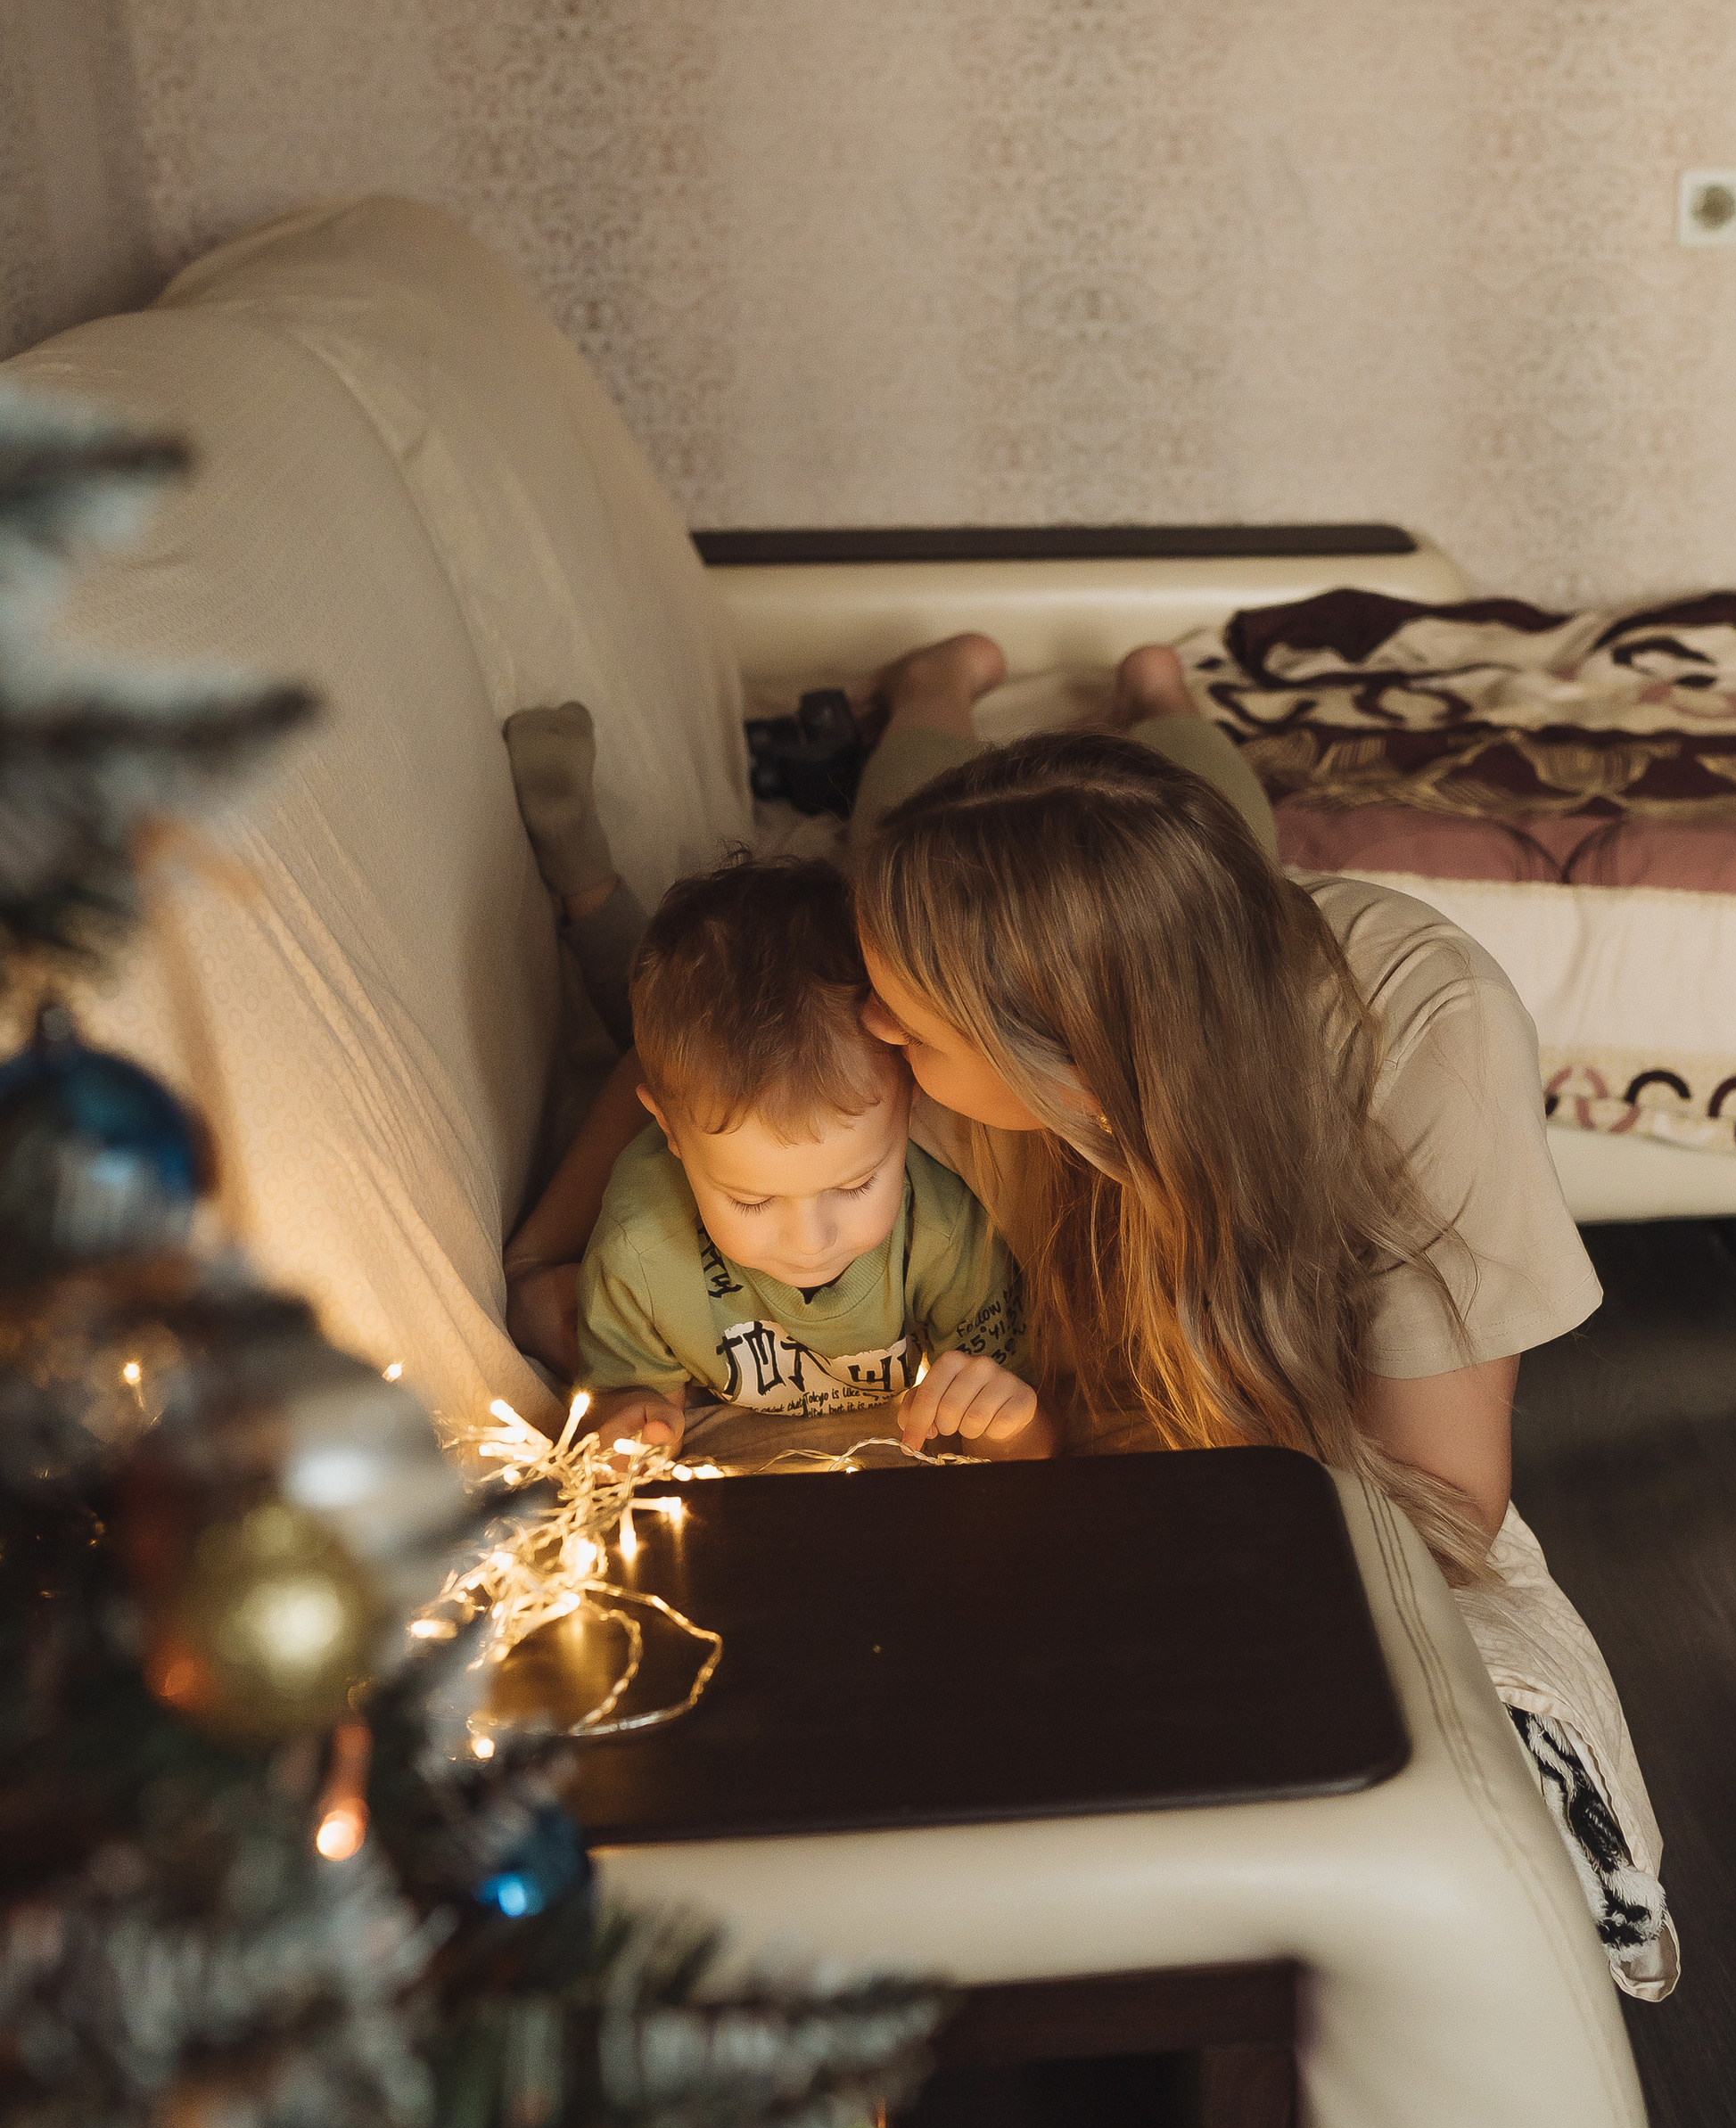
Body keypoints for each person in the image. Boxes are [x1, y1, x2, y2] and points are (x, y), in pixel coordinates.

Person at [507, 639, 1600, 1575]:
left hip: (1224, 960)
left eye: (915, 1029)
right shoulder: (919, 991)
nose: (876, 1031)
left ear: (1073, 1079)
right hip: (1074, 950)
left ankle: (1165, 700)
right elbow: (731, 1056)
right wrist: (543, 1254)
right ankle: (932, 692)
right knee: (889, 831)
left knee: (1226, 834)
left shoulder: (1423, 1037)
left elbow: (1446, 1507)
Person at [572, 852, 1037, 1460]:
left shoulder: (949, 1237)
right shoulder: (640, 1252)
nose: (810, 1241)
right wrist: (635, 1418)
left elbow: (1028, 1435)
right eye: (752, 1199)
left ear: (912, 1107)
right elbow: (618, 1397)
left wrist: (1008, 1421)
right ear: (670, 1134)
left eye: (856, 1185)